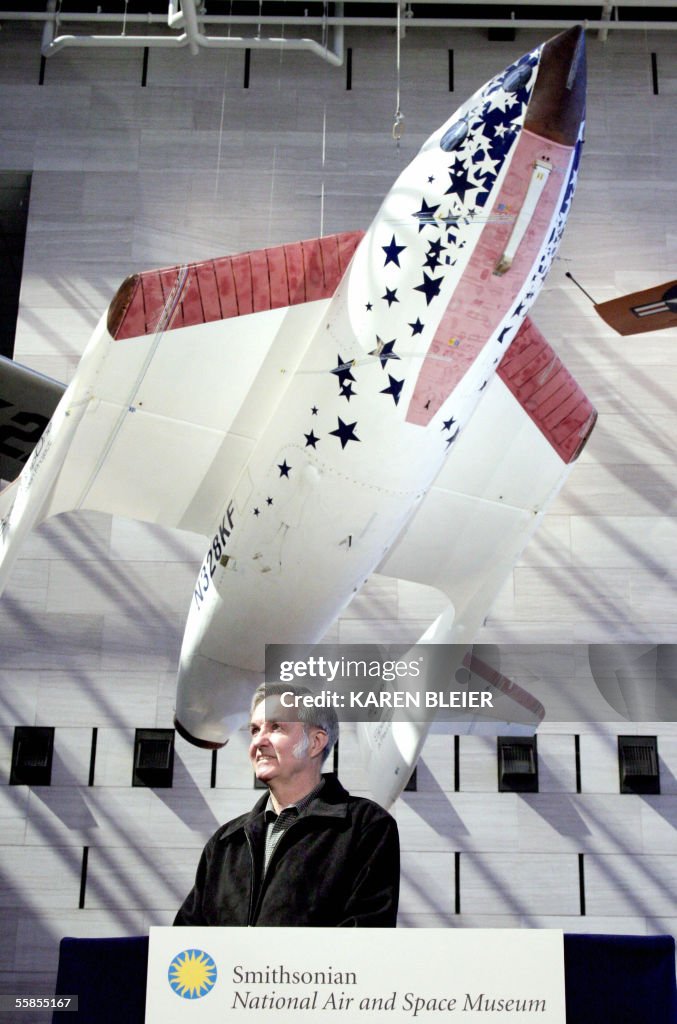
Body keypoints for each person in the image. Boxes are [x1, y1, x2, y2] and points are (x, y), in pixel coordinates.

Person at [174, 683, 400, 927]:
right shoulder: (224, 843)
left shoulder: (366, 827)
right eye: (255, 730)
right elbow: (185, 939)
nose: (258, 742)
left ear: (315, 742)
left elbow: (366, 934)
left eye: (276, 727)